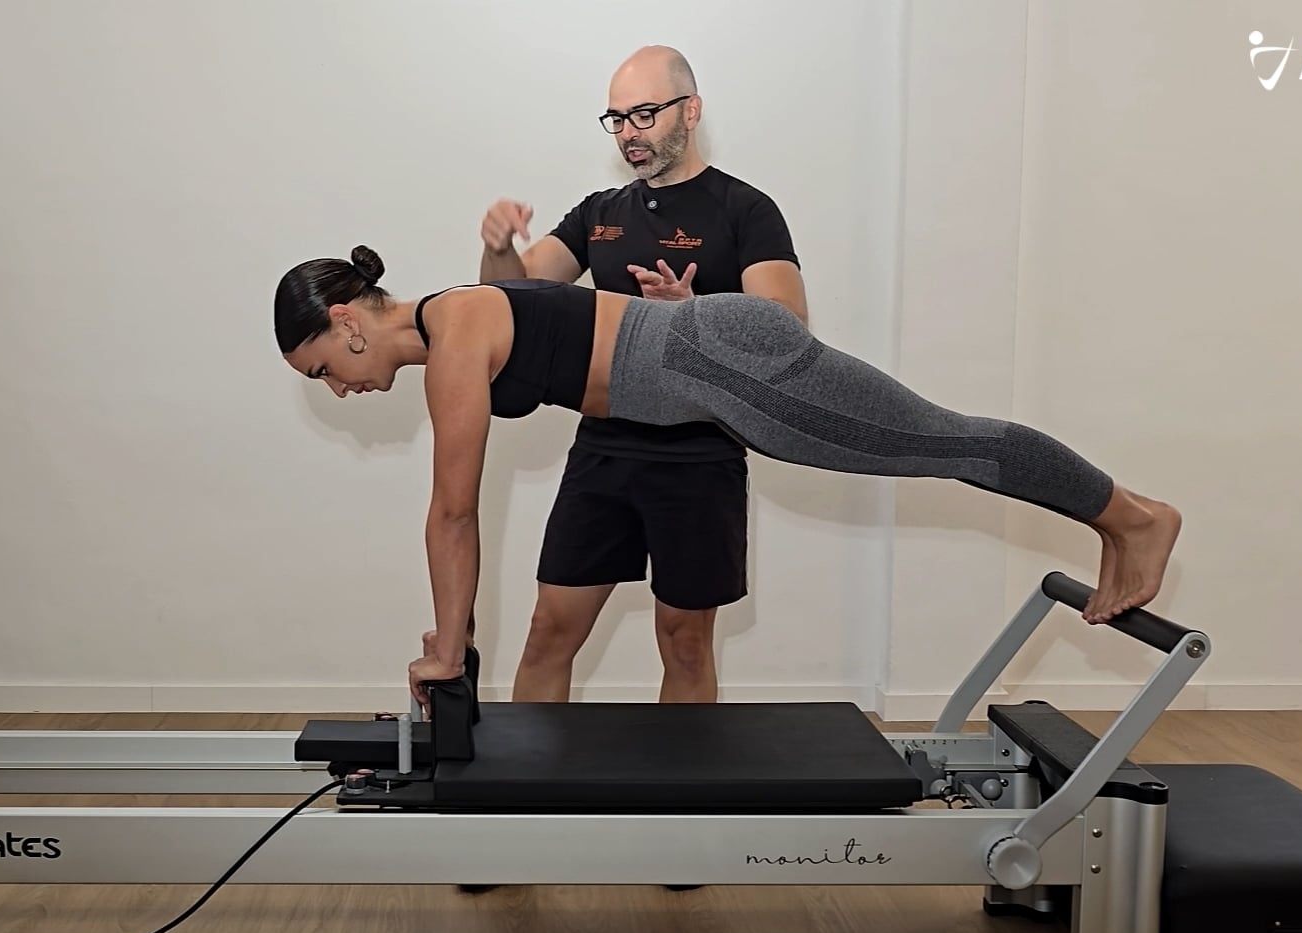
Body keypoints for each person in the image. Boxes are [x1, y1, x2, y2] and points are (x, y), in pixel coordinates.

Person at [270, 247, 1183, 706]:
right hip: (710, 374)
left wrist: (444, 649)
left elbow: (453, 515)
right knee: (946, 445)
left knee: (948, 445)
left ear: (347, 322)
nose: (339, 390)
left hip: (730, 362)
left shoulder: (457, 334)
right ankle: (1116, 521)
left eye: (322, 370)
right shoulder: (455, 327)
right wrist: (452, 640)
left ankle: (1133, 515)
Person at [477, 46, 806, 707]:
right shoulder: (601, 213)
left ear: (690, 110)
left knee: (684, 641)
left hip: (700, 454)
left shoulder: (745, 210)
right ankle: (527, 800)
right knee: (548, 631)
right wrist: (496, 247)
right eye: (617, 118)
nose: (629, 132)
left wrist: (694, 316)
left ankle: (682, 806)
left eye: (645, 114)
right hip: (604, 447)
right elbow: (508, 301)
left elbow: (788, 324)